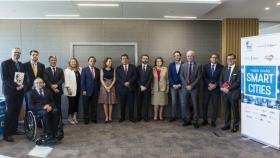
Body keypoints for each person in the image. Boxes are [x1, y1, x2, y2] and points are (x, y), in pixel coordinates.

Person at [1, 48, 25, 142]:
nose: (17, 54)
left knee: (16, 111)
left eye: (18, 53)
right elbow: (5, 78)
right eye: (15, 52)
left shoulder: (21, 65)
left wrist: (22, 85)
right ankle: (6, 134)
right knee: (10, 111)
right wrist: (16, 86)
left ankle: (14, 130)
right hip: (10, 92)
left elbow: (23, 77)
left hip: (20, 91)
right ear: (11, 53)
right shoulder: (5, 63)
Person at [180, 50, 202, 128]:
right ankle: (188, 120)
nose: (189, 57)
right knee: (185, 104)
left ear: (194, 56)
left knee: (195, 105)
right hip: (185, 88)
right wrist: (186, 85)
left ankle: (195, 121)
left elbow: (199, 77)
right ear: (186, 57)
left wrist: (191, 85)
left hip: (194, 88)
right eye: (188, 56)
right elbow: (181, 76)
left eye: (191, 56)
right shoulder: (183, 65)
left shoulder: (198, 65)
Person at [220, 53, 241, 133]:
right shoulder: (224, 69)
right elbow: (220, 80)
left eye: (231, 58)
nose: (229, 60)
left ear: (235, 60)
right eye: (228, 59)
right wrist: (222, 87)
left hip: (233, 93)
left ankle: (236, 126)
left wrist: (228, 88)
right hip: (225, 93)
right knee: (226, 110)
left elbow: (238, 82)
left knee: (235, 110)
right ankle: (227, 124)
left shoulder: (238, 69)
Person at [202, 53, 223, 127]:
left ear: (217, 59)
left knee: (215, 106)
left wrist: (215, 85)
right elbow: (204, 77)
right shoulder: (205, 66)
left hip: (216, 89)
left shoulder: (221, 67)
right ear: (210, 58)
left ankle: (213, 121)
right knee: (205, 105)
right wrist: (209, 84)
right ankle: (205, 120)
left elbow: (221, 78)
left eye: (215, 57)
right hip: (207, 89)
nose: (214, 59)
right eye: (212, 57)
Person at [116, 54, 137, 123]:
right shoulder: (118, 68)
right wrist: (124, 83)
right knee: (122, 104)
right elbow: (117, 77)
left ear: (128, 59)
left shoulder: (133, 67)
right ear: (121, 60)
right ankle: (122, 117)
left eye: (125, 58)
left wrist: (129, 82)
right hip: (122, 89)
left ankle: (131, 117)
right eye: (123, 59)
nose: (124, 60)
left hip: (131, 88)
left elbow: (135, 76)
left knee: (131, 104)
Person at [81, 56, 100, 124]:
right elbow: (82, 81)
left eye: (93, 61)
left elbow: (98, 81)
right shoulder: (84, 70)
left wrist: (98, 90)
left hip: (95, 91)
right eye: (91, 61)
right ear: (88, 62)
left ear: (95, 62)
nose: (92, 62)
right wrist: (83, 90)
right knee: (86, 106)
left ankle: (94, 118)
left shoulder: (97, 70)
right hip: (86, 91)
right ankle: (86, 119)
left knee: (94, 106)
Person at [168, 51, 185, 122]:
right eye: (175, 56)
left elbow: (185, 76)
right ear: (174, 57)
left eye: (178, 55)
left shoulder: (184, 64)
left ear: (180, 56)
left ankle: (184, 117)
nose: (177, 57)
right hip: (173, 87)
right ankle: (173, 116)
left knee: (183, 102)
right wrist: (173, 85)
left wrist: (180, 84)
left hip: (182, 86)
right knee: (174, 102)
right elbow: (170, 76)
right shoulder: (171, 65)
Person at [98, 57, 116, 123]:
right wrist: (106, 87)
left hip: (112, 86)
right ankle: (106, 117)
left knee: (110, 102)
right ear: (105, 62)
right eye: (108, 61)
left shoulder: (113, 69)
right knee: (105, 102)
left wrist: (110, 87)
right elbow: (101, 79)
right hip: (104, 86)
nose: (110, 62)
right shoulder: (102, 70)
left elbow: (114, 79)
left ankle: (110, 117)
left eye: (111, 61)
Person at [64, 57, 81, 125]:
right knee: (71, 104)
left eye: (74, 62)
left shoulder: (79, 69)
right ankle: (69, 118)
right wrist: (68, 89)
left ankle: (75, 117)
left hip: (78, 89)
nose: (73, 63)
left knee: (76, 104)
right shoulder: (67, 70)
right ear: (70, 63)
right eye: (72, 62)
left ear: (76, 62)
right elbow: (66, 80)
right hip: (71, 90)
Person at [136, 54, 152, 122]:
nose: (145, 59)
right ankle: (139, 117)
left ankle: (145, 117)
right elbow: (137, 78)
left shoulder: (150, 68)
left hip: (147, 88)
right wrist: (140, 86)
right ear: (141, 59)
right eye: (143, 58)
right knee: (139, 103)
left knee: (146, 103)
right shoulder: (138, 68)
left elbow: (150, 78)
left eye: (146, 58)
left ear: (148, 60)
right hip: (139, 88)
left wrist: (145, 86)